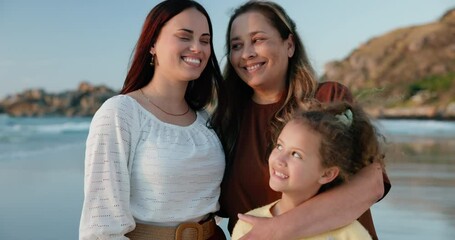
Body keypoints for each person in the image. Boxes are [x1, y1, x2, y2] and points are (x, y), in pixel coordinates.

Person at [209, 1, 391, 239]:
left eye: (258, 39)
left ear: (290, 45)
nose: (246, 53)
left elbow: (371, 184)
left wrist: (277, 229)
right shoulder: (225, 121)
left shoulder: (328, 99)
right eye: (236, 45)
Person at [79, 0, 227, 239]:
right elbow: (101, 227)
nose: (197, 48)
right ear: (152, 44)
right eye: (184, 36)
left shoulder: (205, 120)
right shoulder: (121, 113)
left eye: (205, 40)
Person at [231, 101, 385, 240]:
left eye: (296, 154)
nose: (279, 160)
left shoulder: (349, 234)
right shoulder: (249, 227)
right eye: (279, 146)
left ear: (327, 174)